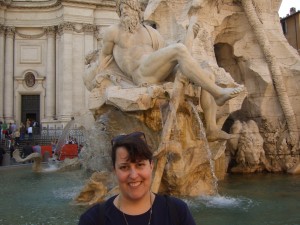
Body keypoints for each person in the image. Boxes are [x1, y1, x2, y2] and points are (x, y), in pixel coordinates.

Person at [93, 0, 243, 108]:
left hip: (156, 71)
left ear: (137, 11)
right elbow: (104, 59)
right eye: (121, 8)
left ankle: (211, 128)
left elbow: (180, 57)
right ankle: (218, 93)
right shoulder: (113, 31)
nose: (124, 11)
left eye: (128, 7)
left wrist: (190, 34)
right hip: (141, 74)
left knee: (207, 73)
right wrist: (99, 77)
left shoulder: (151, 32)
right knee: (178, 49)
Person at [78, 131, 196, 225]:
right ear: (115, 171)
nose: (133, 175)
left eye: (140, 165)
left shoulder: (177, 211)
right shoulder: (93, 220)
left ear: (151, 166)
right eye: (124, 167)